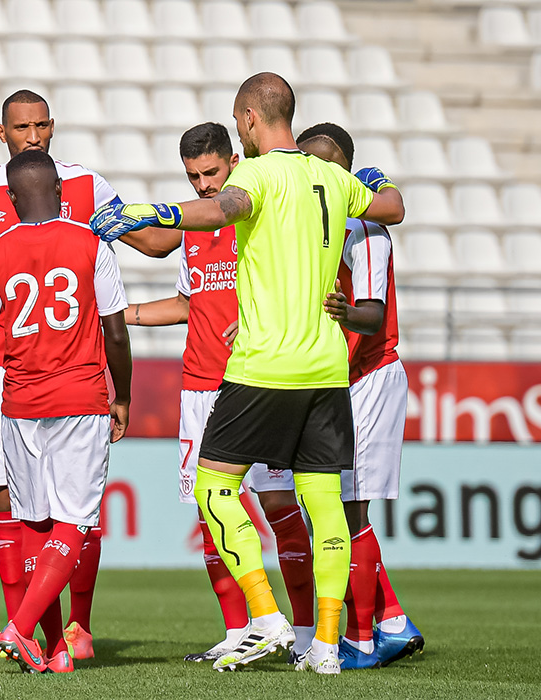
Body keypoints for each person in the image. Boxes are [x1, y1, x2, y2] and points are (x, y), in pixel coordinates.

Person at [91, 72, 405, 674]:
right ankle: (326, 646)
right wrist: (373, 176)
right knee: (326, 504)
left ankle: (265, 615)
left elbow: (220, 210)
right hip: (326, 368)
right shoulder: (333, 179)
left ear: (249, 119)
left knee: (212, 489)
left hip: (264, 365)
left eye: (240, 123)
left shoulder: (257, 175)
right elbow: (392, 207)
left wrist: (148, 212)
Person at [0, 89, 176, 660]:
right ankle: (33, 630)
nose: (33, 136)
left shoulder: (89, 184)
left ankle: (73, 628)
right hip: (32, 379)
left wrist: (193, 223)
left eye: (41, 126)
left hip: (40, 381)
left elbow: (153, 243)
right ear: (2, 132)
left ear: (53, 126)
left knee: (55, 514)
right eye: (22, 128)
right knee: (28, 509)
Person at [126, 122, 317, 662]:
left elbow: (299, 284)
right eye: (194, 177)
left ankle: (304, 634)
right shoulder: (194, 226)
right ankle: (239, 631)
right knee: (211, 514)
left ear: (234, 161)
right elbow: (189, 304)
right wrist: (122, 316)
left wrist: (259, 320)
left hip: (258, 380)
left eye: (211, 173)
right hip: (200, 387)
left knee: (280, 506)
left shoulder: (259, 213)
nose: (204, 185)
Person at [0, 150, 131, 674]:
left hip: (18, 405)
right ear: (61, 191)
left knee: (36, 524)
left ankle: (57, 647)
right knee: (74, 523)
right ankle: (21, 628)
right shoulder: (91, 243)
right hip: (79, 398)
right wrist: (123, 396)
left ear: (11, 199)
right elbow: (115, 331)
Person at [297, 123, 425, 670]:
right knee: (329, 511)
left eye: (325, 164)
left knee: (348, 512)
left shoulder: (364, 229)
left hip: (368, 378)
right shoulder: (313, 227)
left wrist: (340, 315)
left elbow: (369, 317)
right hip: (338, 380)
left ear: (345, 172)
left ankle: (363, 640)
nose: (315, 174)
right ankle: (391, 620)